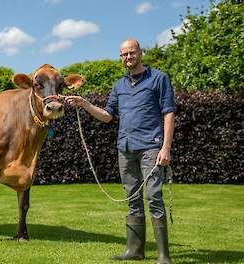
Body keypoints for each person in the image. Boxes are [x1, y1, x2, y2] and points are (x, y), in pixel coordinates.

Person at [65, 38, 174, 264]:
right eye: (123, 54)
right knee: (132, 199)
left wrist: (166, 147)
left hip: (151, 147)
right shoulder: (119, 85)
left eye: (131, 53)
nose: (127, 57)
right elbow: (107, 116)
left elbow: (168, 113)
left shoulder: (159, 79)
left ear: (140, 53)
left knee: (153, 197)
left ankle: (163, 256)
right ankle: (134, 251)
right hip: (125, 147)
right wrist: (84, 103)